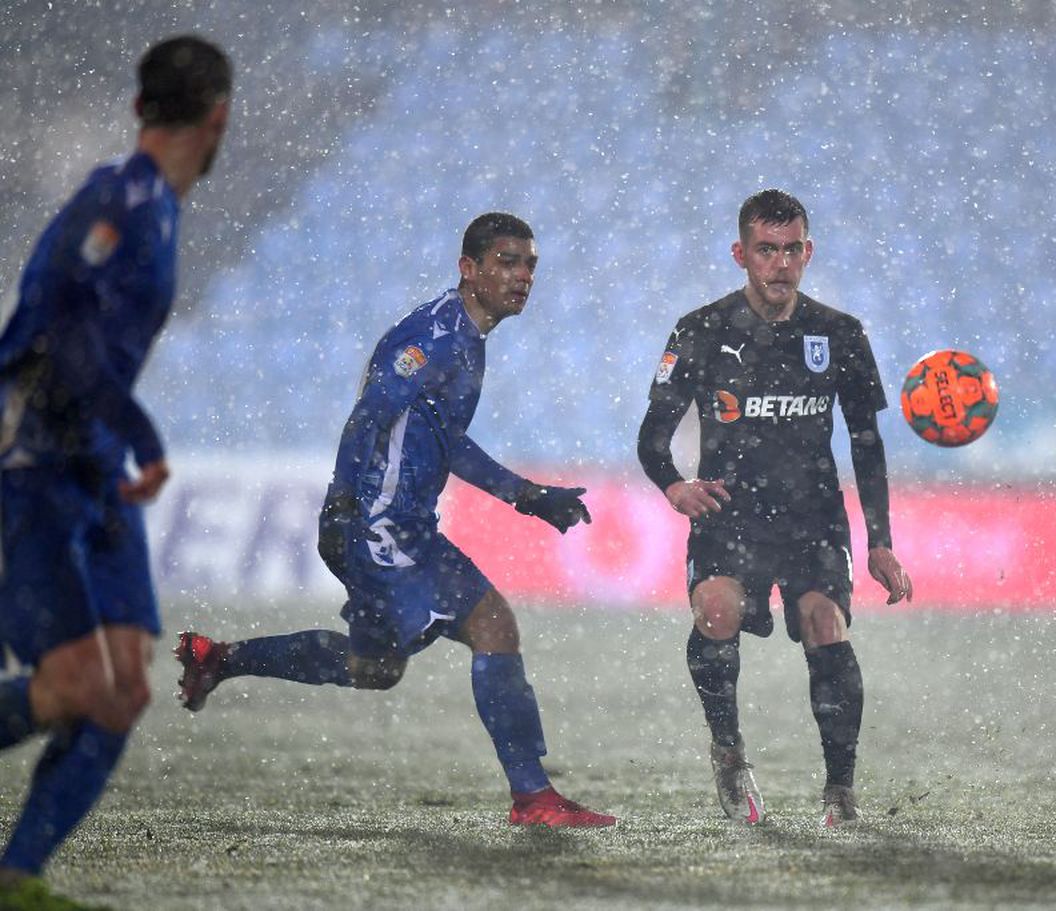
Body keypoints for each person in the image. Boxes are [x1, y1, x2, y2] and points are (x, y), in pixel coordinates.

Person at [176, 212, 616, 829]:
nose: (522, 276)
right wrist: (343, 505)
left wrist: (526, 495)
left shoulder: (465, 335)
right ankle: (532, 796)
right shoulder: (436, 337)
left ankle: (219, 658)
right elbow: (370, 414)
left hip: (398, 523)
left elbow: (447, 441)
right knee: (491, 625)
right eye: (507, 262)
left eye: (529, 265)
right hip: (382, 525)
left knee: (375, 668)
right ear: (469, 268)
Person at [0, 35, 232, 907]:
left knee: (124, 688)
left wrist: (122, 437)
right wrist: (143, 435)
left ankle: (16, 877)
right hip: (33, 456)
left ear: (140, 107)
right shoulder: (121, 201)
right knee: (73, 687)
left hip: (91, 455)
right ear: (219, 119)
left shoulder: (154, 206)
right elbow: (60, 338)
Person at [637, 189, 912, 827]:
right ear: (741, 254)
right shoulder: (701, 329)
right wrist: (675, 487)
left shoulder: (840, 333)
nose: (780, 263)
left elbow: (866, 443)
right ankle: (729, 752)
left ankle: (839, 790)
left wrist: (880, 540)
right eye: (766, 250)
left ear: (807, 252)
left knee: (824, 624)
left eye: (791, 250)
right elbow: (652, 437)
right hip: (729, 512)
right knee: (715, 610)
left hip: (812, 515)